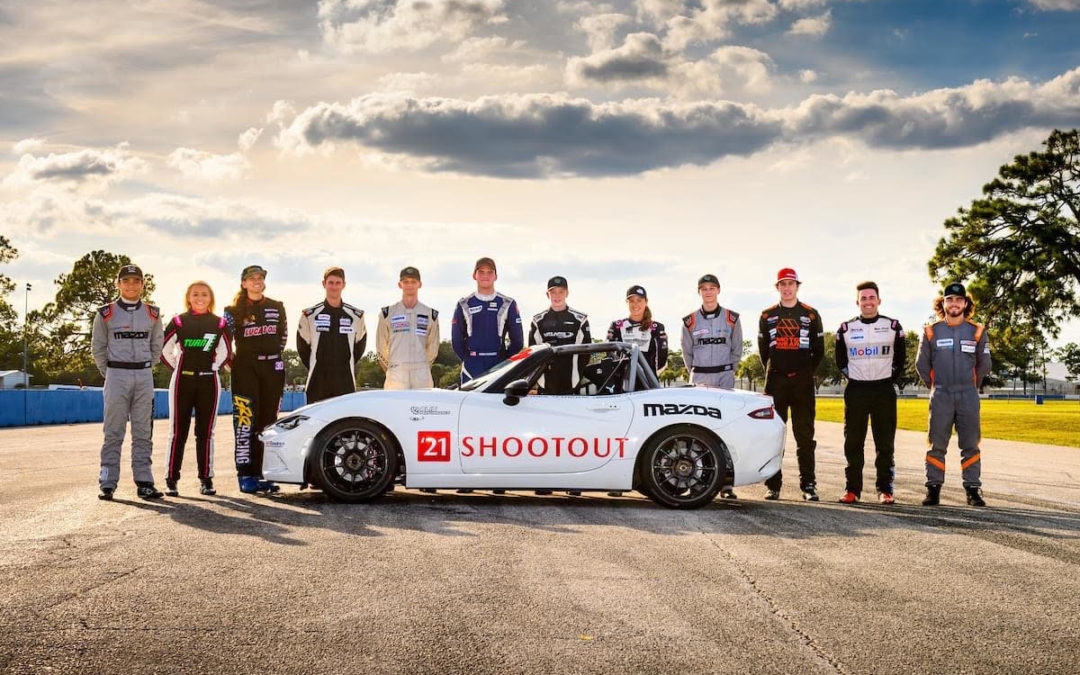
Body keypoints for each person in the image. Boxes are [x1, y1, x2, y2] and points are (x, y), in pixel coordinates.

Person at [91, 264, 164, 501]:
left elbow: (156, 347)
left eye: (136, 281)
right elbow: (98, 348)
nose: (131, 285)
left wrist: (145, 368)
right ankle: (107, 481)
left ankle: (144, 481)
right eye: (126, 281)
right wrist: (111, 372)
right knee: (113, 431)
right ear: (118, 284)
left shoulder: (153, 313)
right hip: (116, 375)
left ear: (143, 284)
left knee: (143, 432)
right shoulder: (106, 313)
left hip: (143, 376)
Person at [916, 282, 991, 507]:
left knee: (970, 444)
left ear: (965, 303)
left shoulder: (977, 331)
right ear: (943, 303)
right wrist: (937, 386)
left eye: (958, 300)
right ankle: (933, 488)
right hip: (941, 394)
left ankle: (973, 489)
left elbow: (984, 364)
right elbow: (921, 364)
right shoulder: (930, 331)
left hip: (968, 394)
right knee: (937, 443)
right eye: (949, 299)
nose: (954, 303)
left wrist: (971, 386)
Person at [834, 281, 906, 505]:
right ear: (857, 302)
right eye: (863, 298)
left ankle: (885, 490)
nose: (867, 302)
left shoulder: (893, 326)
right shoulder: (845, 329)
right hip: (856, 390)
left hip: (883, 389)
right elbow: (840, 362)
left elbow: (900, 360)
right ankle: (852, 490)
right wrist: (855, 376)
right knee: (853, 442)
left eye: (871, 297)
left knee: (884, 444)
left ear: (879, 300)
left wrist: (886, 377)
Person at [758, 268, 824, 502]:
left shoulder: (811, 314)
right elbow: (763, 352)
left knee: (805, 436)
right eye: (782, 284)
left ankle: (808, 485)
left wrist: (803, 372)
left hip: (803, 383)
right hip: (776, 381)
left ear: (797, 286)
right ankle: (773, 485)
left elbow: (819, 352)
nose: (787, 288)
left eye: (791, 284)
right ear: (777, 287)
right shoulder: (767, 315)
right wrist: (779, 371)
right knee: (775, 435)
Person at [160, 281, 232, 497]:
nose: (200, 298)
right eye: (195, 294)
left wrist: (212, 367)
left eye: (204, 294)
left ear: (211, 298)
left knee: (205, 433)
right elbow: (164, 350)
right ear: (188, 297)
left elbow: (225, 352)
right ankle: (171, 479)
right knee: (178, 432)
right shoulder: (179, 321)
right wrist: (179, 367)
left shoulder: (219, 324)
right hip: (182, 382)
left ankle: (206, 479)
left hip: (209, 382)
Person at [224, 265, 286, 494]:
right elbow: (225, 342)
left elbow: (283, 337)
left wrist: (271, 358)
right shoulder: (232, 310)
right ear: (244, 283)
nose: (256, 281)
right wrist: (236, 365)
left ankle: (264, 473)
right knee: (245, 421)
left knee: (269, 422)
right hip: (245, 368)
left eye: (260, 278)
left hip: (272, 366)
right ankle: (246, 473)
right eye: (252, 278)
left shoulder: (277, 307)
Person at [681, 273, 742, 499]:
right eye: (703, 288)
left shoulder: (732, 318)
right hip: (700, 378)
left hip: (724, 377)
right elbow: (687, 353)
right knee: (696, 429)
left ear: (718, 290)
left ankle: (726, 484)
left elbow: (737, 349)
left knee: (726, 430)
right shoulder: (689, 321)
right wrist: (697, 372)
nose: (708, 292)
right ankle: (696, 482)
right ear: (699, 292)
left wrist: (728, 369)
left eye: (712, 288)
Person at [297, 267, 367, 403]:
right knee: (316, 422)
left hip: (345, 379)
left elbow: (360, 346)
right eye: (331, 283)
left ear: (343, 285)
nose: (334, 287)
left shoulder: (356, 315)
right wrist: (316, 365)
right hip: (318, 379)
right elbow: (302, 347)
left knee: (343, 421)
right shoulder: (309, 315)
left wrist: (343, 364)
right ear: (324, 284)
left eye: (337, 283)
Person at [451, 257, 523, 385]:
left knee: (497, 404)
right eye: (481, 272)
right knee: (470, 404)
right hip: (472, 366)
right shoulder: (464, 303)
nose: (486, 276)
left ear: (496, 276)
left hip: (499, 364)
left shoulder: (508, 303)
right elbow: (456, 340)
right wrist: (469, 359)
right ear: (474, 275)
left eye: (490, 272)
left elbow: (517, 341)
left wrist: (505, 361)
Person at [377, 266, 440, 389]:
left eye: (413, 282)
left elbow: (433, 347)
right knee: (394, 407)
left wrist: (423, 366)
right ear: (400, 284)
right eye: (406, 282)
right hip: (396, 373)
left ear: (420, 284)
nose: (409, 285)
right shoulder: (387, 313)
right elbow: (381, 346)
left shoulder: (430, 314)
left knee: (422, 406)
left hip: (421, 373)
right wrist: (392, 367)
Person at [528, 275, 591, 395]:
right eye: (553, 292)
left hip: (572, 381)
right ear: (547, 294)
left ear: (567, 293)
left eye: (561, 292)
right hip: (545, 382)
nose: (557, 296)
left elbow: (586, 352)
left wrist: (577, 372)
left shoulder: (580, 319)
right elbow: (533, 352)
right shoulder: (538, 320)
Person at [606, 285, 668, 376]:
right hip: (622, 381)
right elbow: (609, 353)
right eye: (631, 301)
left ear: (646, 302)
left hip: (648, 382)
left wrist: (652, 375)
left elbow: (662, 357)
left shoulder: (656, 327)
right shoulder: (617, 326)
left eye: (639, 300)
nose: (635, 304)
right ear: (626, 302)